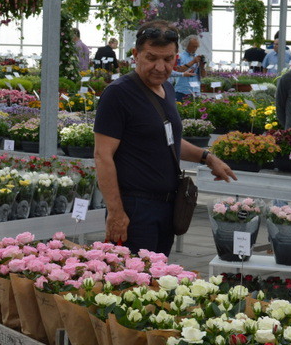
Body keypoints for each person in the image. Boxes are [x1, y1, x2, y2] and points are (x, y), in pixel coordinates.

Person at [94, 20, 235, 255]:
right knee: (135, 276)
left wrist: (208, 158)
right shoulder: (119, 94)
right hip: (135, 209)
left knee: (159, 276)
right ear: (135, 54)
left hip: (166, 207)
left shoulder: (167, 89)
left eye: (168, 59)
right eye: (151, 58)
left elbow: (168, 140)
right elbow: (102, 156)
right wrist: (116, 212)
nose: (160, 67)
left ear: (176, 57)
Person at [172, 35, 205, 102]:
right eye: (193, 46)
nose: (195, 48)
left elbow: (203, 75)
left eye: (197, 46)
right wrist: (193, 62)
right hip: (182, 90)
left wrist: (202, 66)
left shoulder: (197, 57)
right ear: (187, 45)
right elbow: (178, 71)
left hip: (195, 90)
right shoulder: (180, 56)